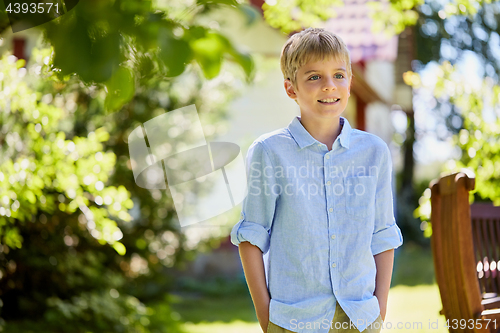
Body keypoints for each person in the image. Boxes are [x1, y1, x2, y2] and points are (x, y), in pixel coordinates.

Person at [230, 27, 403, 333]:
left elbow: (383, 235)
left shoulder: (374, 152)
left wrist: (380, 308)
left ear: (350, 80)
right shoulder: (269, 153)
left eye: (338, 74)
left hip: (360, 318)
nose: (329, 86)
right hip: (291, 320)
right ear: (290, 88)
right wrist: (266, 317)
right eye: (314, 77)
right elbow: (251, 236)